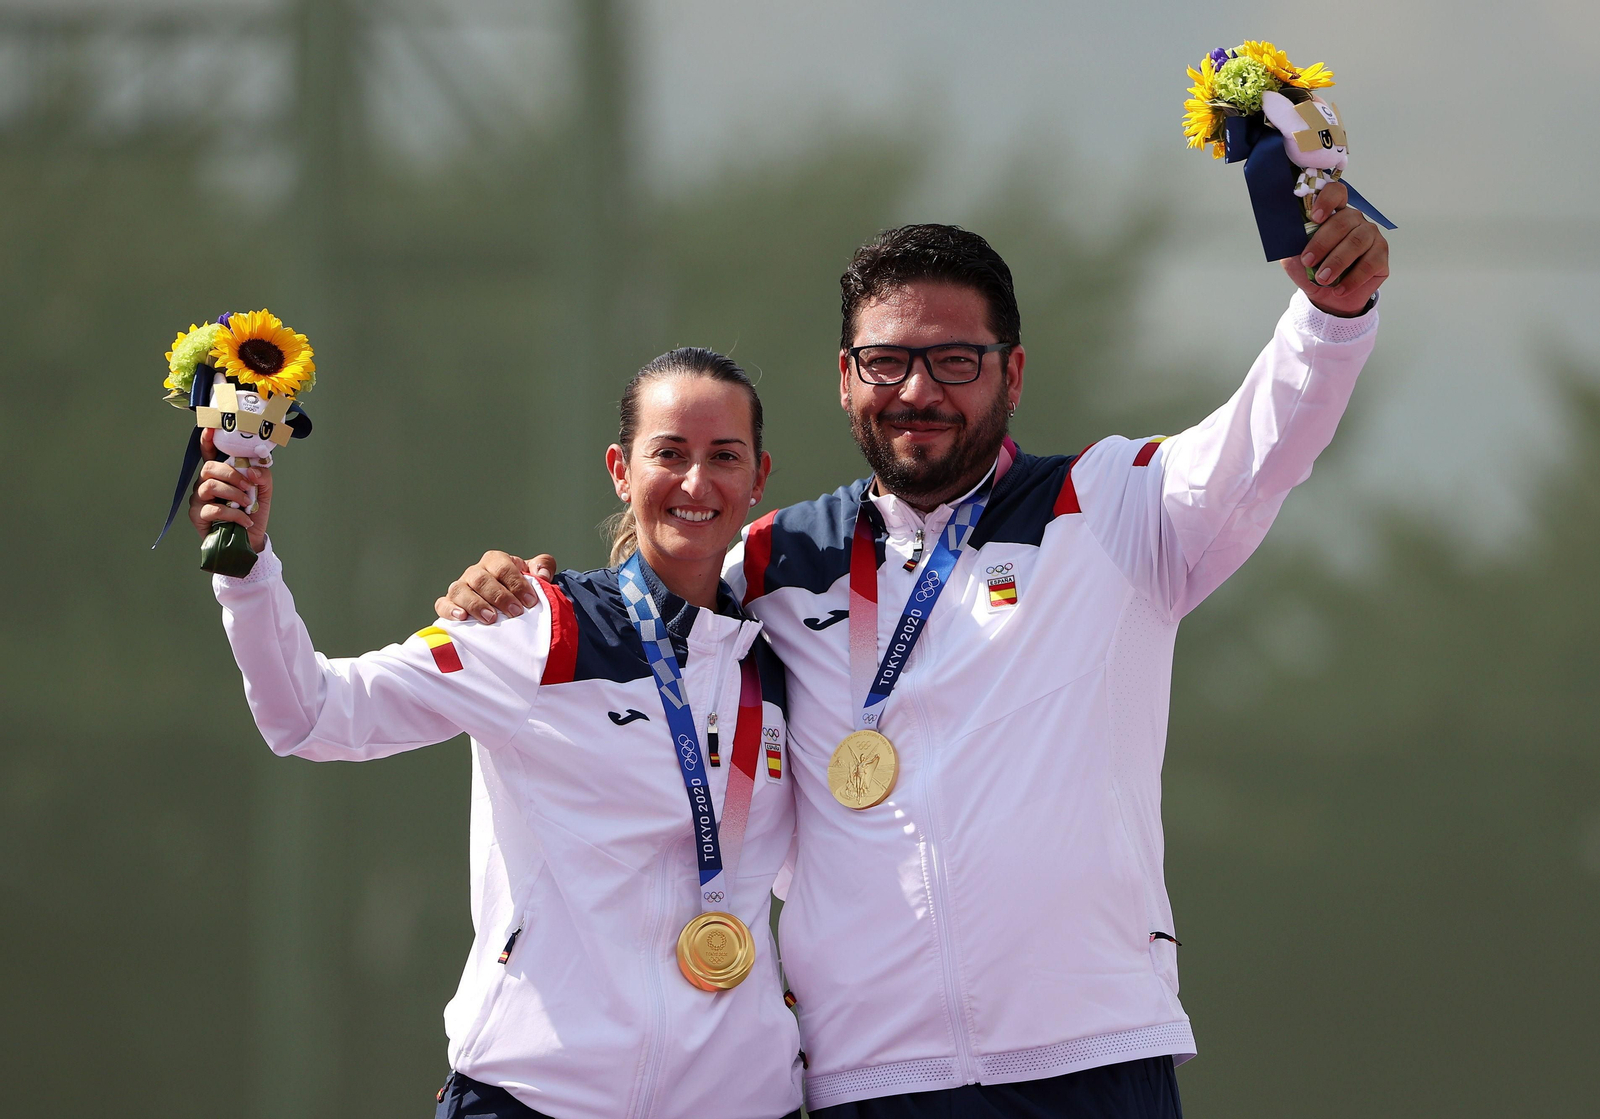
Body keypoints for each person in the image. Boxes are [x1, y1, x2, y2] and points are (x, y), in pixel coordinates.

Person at [438, 187, 1390, 1118]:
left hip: (1091, 1050)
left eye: (956, 360)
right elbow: (646, 603)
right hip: (870, 1075)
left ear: (1012, 375)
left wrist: (1330, 318)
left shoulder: (1112, 509)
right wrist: (516, 592)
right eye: (888, 362)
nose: (920, 391)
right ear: (845, 377)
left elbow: (1266, 440)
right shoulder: (775, 557)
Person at [191, 348, 806, 1119]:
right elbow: (310, 713)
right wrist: (248, 573)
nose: (695, 482)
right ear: (621, 468)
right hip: (537, 1097)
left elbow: (818, 879)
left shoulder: (785, 668)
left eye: (724, 456)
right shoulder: (536, 626)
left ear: (759, 475)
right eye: (669, 453)